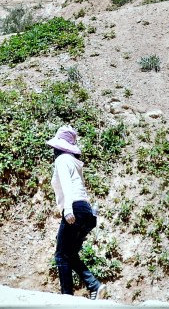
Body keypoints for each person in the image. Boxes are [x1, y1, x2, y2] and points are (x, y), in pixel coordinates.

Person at [47, 126, 104, 300]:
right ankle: (95, 286)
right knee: (69, 254)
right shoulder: (74, 162)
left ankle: (67, 298)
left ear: (59, 147)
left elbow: (67, 185)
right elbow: (80, 189)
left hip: (74, 209)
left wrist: (68, 209)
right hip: (86, 211)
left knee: (60, 256)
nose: (53, 150)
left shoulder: (62, 160)